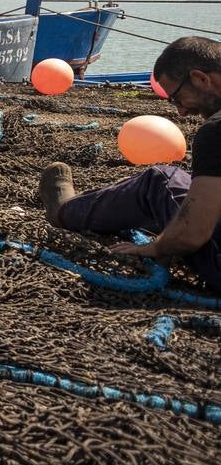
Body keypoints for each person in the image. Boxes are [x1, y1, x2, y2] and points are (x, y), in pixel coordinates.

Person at [40, 37, 221, 292]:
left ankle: (64, 211)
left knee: (160, 181)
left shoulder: (216, 131)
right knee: (188, 182)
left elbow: (193, 234)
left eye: (177, 98)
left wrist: (154, 247)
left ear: (201, 78)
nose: (180, 112)